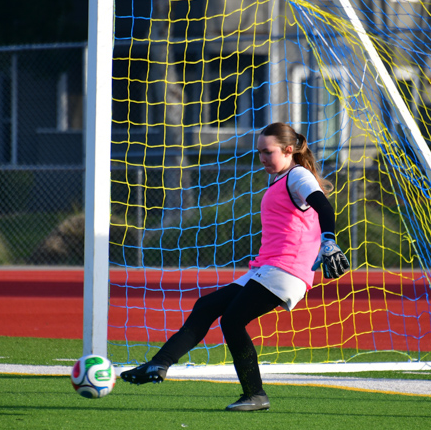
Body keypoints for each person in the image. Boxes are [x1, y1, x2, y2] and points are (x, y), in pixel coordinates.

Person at [120, 122, 350, 411]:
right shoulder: (280, 179)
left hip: (284, 271)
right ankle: (158, 364)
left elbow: (323, 207)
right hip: (268, 268)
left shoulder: (298, 175)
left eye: (268, 152)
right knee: (206, 306)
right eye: (259, 152)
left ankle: (255, 395)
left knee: (231, 321)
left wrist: (329, 241)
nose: (263, 158)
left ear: (288, 150)